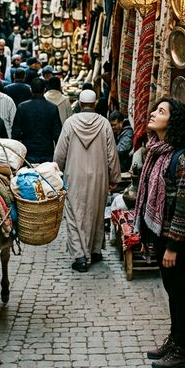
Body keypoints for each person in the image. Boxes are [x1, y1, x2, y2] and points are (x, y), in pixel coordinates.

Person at [133, 97, 185, 368]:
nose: (152, 114)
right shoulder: (158, 152)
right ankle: (174, 341)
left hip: (180, 239)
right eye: (155, 109)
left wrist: (173, 245)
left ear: (173, 122)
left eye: (161, 112)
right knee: (172, 290)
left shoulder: (184, 158)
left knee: (181, 291)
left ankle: (182, 350)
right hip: (165, 236)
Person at [53, 89, 120, 272]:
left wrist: (55, 170)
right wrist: (114, 176)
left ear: (81, 104)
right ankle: (95, 250)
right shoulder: (104, 123)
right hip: (99, 177)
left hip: (74, 176)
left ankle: (80, 257)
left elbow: (60, 153)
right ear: (95, 103)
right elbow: (112, 154)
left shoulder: (70, 123)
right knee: (96, 212)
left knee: (75, 214)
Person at [12, 78, 62, 163]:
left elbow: (16, 132)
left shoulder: (22, 107)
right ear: (44, 90)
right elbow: (57, 133)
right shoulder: (52, 108)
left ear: (31, 90)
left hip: (27, 151)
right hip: (47, 151)